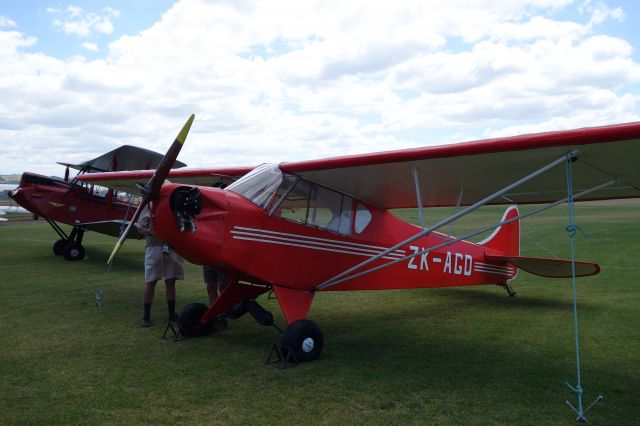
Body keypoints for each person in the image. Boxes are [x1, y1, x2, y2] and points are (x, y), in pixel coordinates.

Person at [136, 203, 184, 327]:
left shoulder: (174, 207)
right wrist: (152, 232)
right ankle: (146, 317)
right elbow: (140, 228)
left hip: (171, 248)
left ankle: (172, 315)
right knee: (151, 282)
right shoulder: (148, 207)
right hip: (154, 248)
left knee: (170, 281)